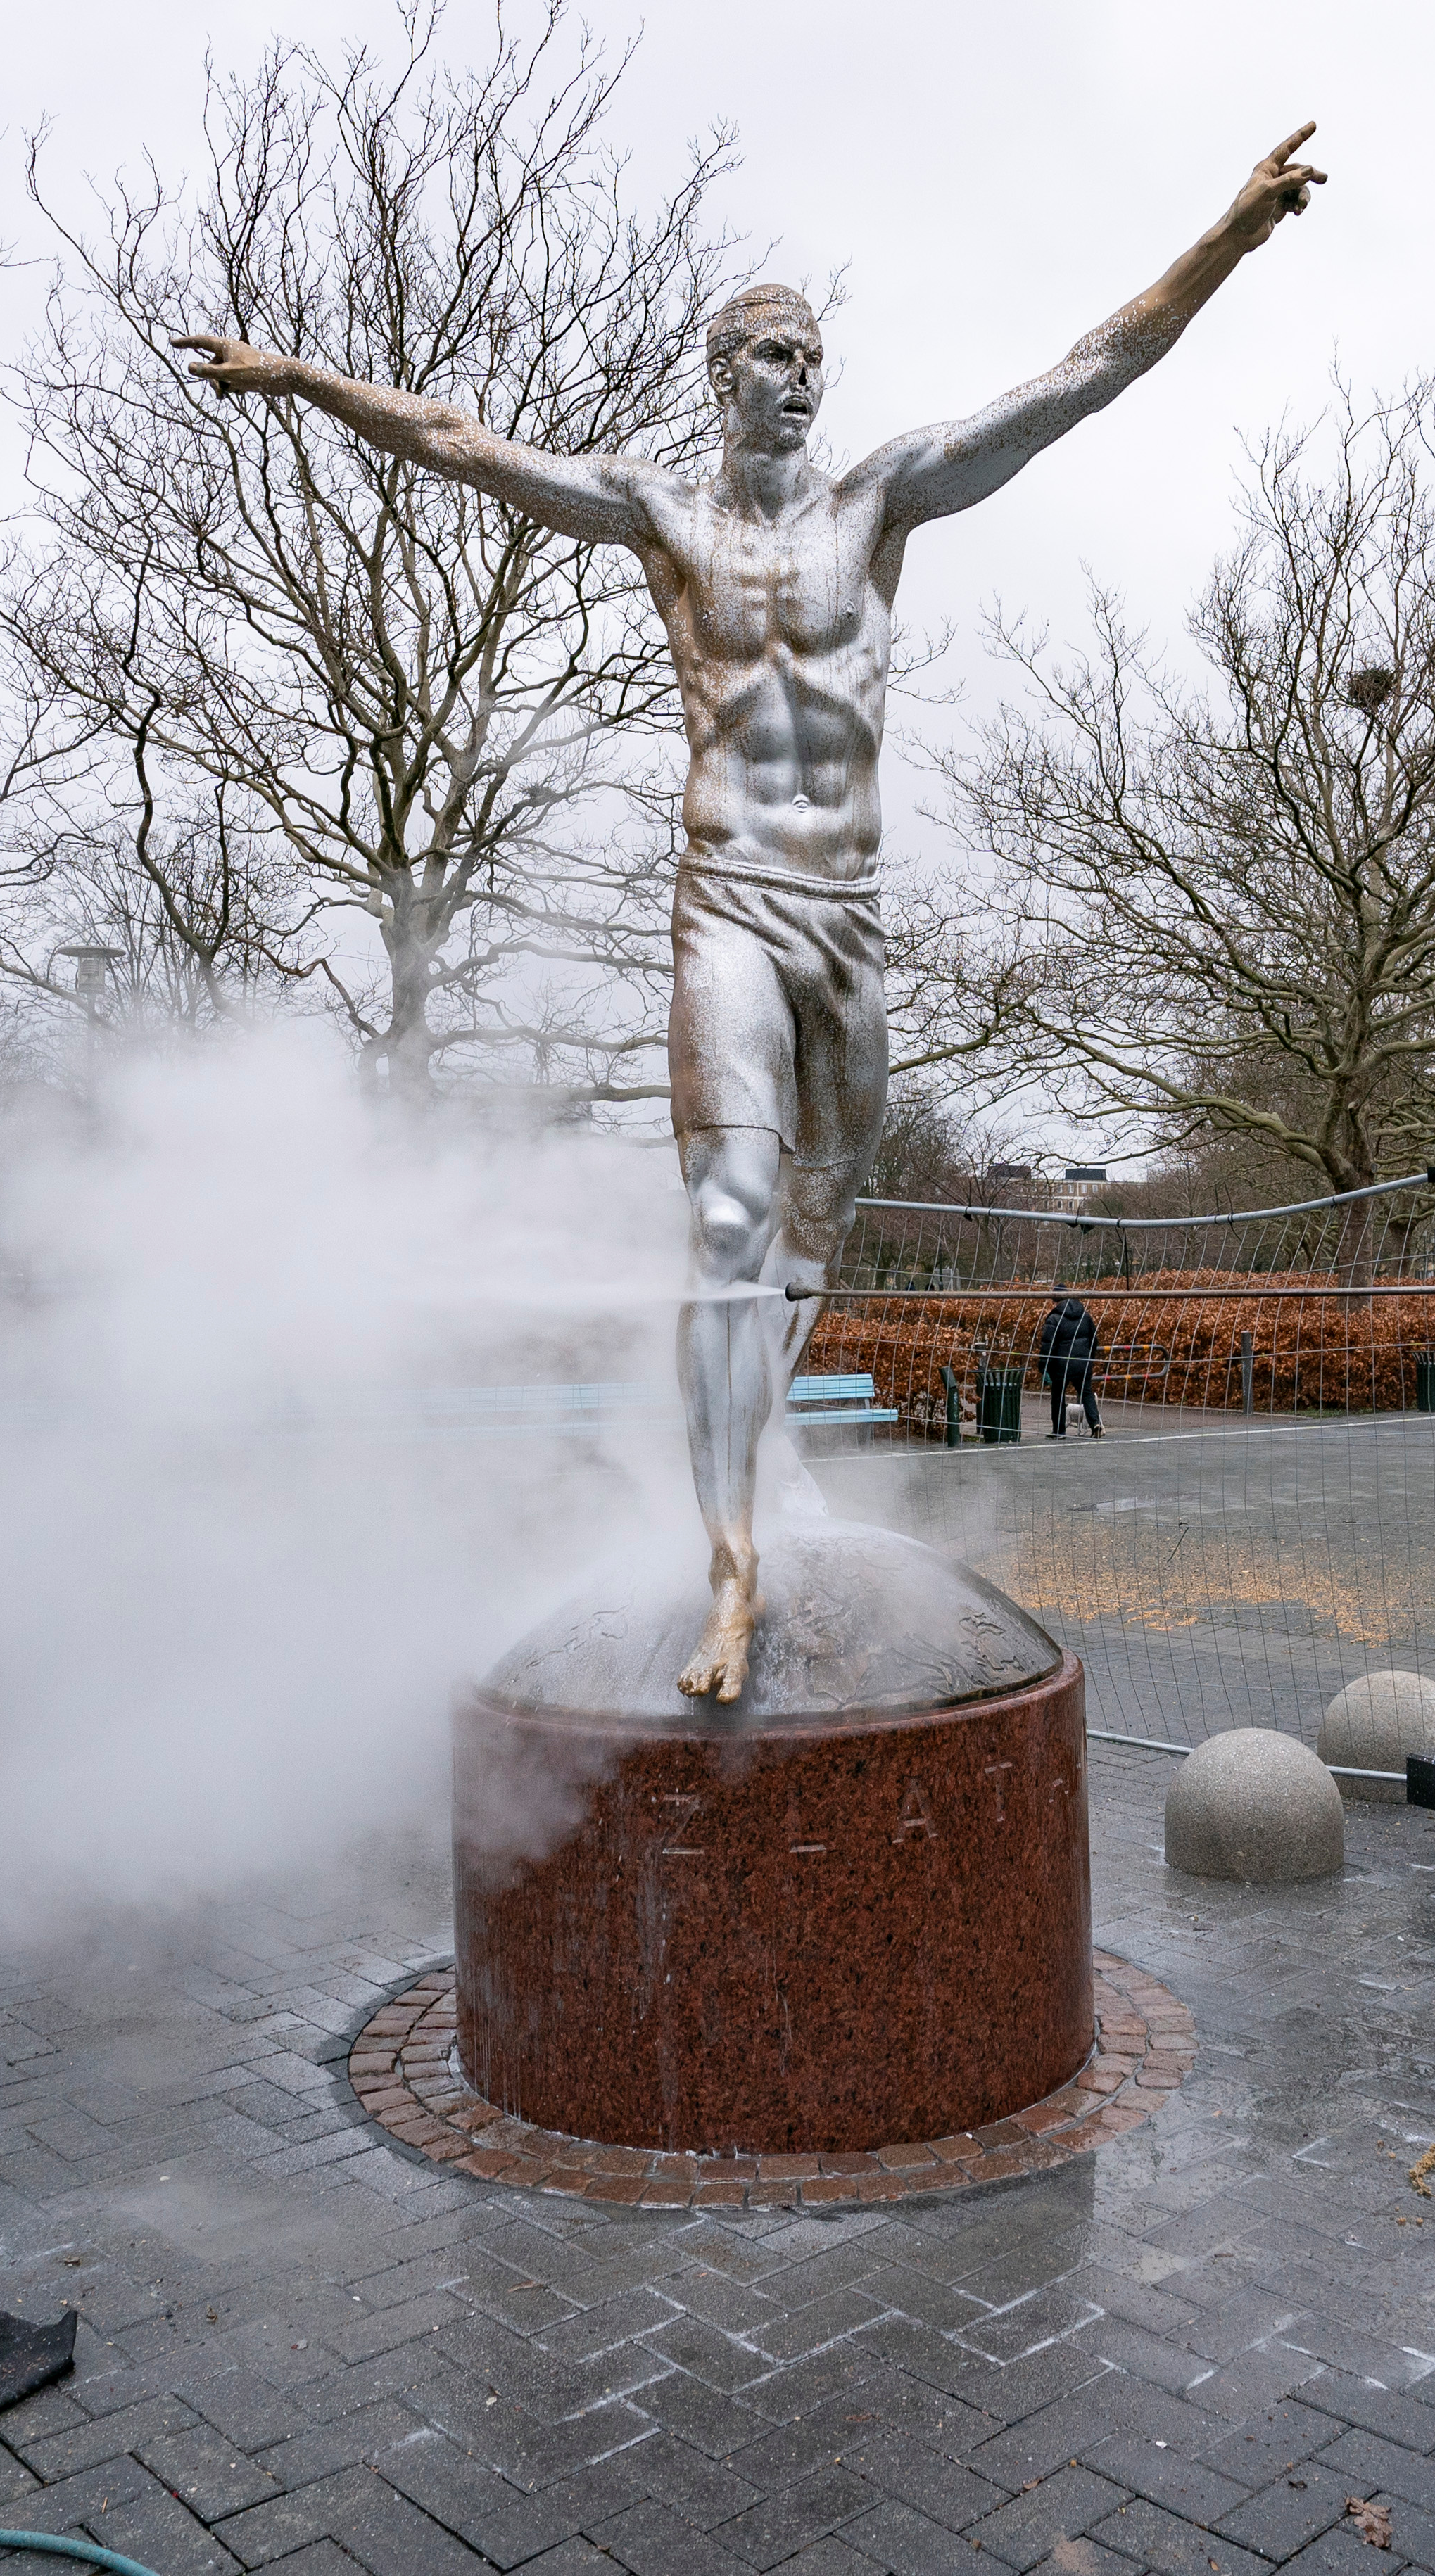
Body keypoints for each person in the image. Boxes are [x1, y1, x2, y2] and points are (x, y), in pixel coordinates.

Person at [177, 129, 1326, 1700]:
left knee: (804, 1239)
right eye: (774, 354)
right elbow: (454, 441)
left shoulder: (880, 501)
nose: (800, 375)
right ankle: (728, 1567)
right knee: (725, 1225)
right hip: (725, 899)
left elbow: (1081, 377)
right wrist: (300, 377)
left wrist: (1231, 232)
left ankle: (754, 1460)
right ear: (720, 372)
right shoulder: (664, 517)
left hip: (847, 923)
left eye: (812, 355)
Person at [1035, 1293, 1101, 1438]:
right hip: (1083, 1364)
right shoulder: (1085, 1315)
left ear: (1056, 1302)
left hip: (1061, 1365)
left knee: (1058, 1396)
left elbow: (1048, 1346)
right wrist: (1089, 1359)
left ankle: (1059, 1431)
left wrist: (1044, 1367)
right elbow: (1094, 1340)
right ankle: (1096, 1424)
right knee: (1086, 1393)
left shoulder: (1054, 1319)